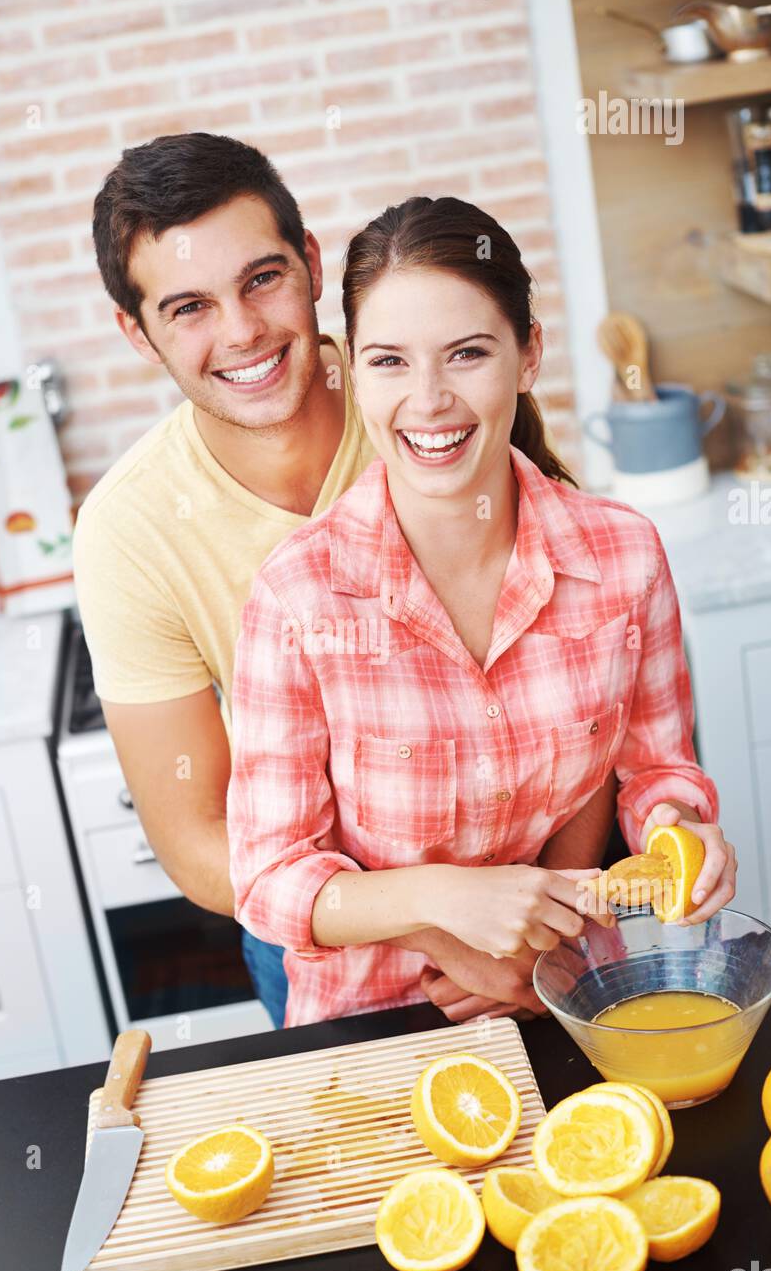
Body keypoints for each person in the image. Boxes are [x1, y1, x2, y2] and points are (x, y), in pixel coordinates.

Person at [74, 133, 618, 1030]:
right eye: (188, 308)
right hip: (325, 940)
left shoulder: (426, 399)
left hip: (546, 905)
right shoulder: (130, 530)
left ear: (312, 264)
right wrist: (434, 917)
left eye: (261, 279)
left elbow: (585, 693)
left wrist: (535, 926)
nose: (243, 331)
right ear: (138, 333)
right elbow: (200, 839)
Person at [226, 195, 737, 1029]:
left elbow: (654, 772)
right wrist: (449, 908)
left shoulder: (624, 558)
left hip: (568, 993)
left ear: (528, 355)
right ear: (352, 371)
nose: (428, 400)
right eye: (389, 361)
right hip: (375, 1024)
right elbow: (271, 880)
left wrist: (682, 831)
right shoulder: (298, 596)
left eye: (467, 354)